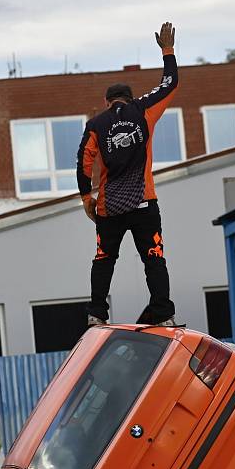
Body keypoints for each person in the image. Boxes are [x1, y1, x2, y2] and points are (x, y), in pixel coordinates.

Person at [77, 22, 179, 327]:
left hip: (110, 208)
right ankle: (163, 314)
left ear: (108, 103)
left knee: (104, 259)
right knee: (153, 257)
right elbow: (170, 83)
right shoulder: (144, 110)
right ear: (129, 98)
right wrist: (167, 50)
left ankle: (97, 314)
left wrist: (86, 197)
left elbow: (83, 160)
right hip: (144, 203)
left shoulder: (97, 123)